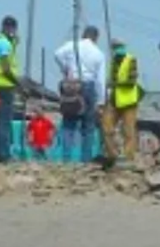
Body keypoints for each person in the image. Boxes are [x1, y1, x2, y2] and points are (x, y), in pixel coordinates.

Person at [53, 25, 106, 163]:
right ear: (96, 38)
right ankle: (85, 160)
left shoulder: (72, 45)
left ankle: (66, 158)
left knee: (68, 123)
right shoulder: (98, 53)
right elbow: (100, 81)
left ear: (84, 34)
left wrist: (66, 68)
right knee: (88, 126)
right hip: (88, 86)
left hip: (72, 85)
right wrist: (101, 101)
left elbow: (57, 54)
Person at [0, 16, 21, 164]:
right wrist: (18, 83)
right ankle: (5, 155)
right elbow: (6, 68)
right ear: (11, 28)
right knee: (5, 122)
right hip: (5, 85)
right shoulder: (4, 44)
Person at [102, 38, 142, 163]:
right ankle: (112, 154)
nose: (116, 50)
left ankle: (128, 157)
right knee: (106, 126)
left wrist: (114, 83)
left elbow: (131, 81)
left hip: (129, 100)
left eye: (118, 47)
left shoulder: (131, 60)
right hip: (115, 99)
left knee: (128, 130)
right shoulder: (114, 62)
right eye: (114, 47)